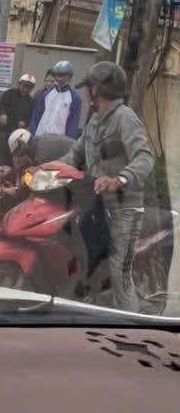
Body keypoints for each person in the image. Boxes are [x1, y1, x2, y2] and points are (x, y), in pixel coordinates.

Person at [51, 61, 155, 312]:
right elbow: (74, 155)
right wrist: (45, 169)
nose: (87, 93)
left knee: (120, 274)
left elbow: (145, 157)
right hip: (95, 206)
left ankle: (131, 327)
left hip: (124, 209)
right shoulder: (95, 121)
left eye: (89, 88)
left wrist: (119, 179)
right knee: (79, 260)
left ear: (96, 89)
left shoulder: (124, 118)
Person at [29, 60, 81, 139]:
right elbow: (36, 117)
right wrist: (32, 136)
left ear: (70, 77)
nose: (59, 78)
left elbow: (73, 125)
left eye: (63, 75)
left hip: (59, 142)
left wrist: (68, 143)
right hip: (40, 138)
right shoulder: (46, 94)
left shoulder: (75, 98)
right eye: (57, 75)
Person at [0, 73, 35, 164]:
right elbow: (0, 104)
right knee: (0, 154)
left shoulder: (31, 102)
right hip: (4, 130)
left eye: (29, 87)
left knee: (14, 155)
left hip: (17, 134)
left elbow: (30, 118)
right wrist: (2, 114)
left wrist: (25, 123)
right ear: (19, 84)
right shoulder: (10, 93)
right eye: (24, 86)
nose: (26, 89)